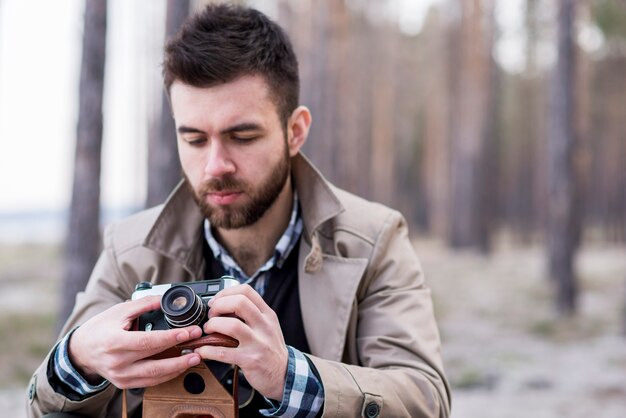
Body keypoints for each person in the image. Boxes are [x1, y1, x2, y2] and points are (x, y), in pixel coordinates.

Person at [27, 4, 450, 417]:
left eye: (243, 136)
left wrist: (287, 376)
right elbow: (44, 404)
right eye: (194, 140)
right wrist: (79, 357)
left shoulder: (373, 240)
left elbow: (425, 400)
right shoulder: (131, 252)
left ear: (295, 131)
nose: (215, 166)